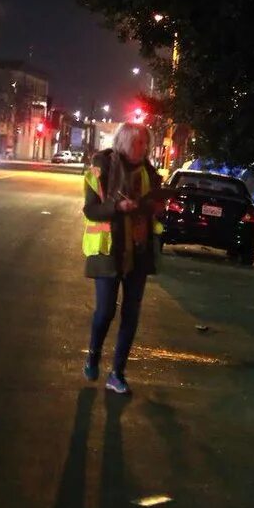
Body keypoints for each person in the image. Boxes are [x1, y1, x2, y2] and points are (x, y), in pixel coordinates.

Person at [82, 123, 164, 394]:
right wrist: (117, 207)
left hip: (139, 252)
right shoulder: (101, 168)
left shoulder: (149, 174)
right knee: (106, 311)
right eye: (138, 142)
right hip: (109, 251)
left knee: (131, 313)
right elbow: (91, 210)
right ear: (124, 143)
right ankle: (93, 355)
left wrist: (158, 207)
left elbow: (154, 208)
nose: (143, 148)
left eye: (145, 143)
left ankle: (117, 373)